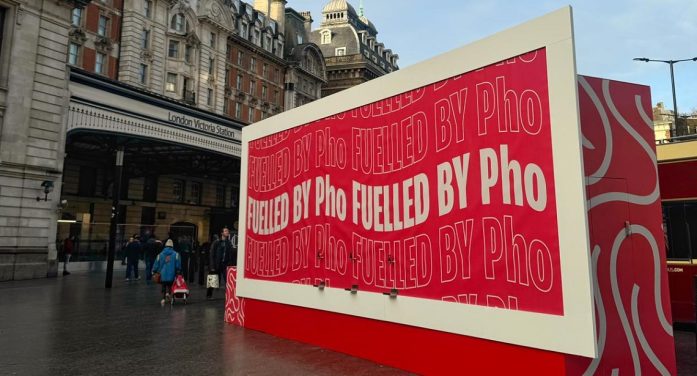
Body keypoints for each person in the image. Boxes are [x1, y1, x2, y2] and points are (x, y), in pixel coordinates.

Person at [206, 227, 236, 299]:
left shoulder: (228, 243)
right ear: (222, 233)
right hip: (216, 264)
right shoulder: (216, 242)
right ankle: (209, 295)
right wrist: (212, 266)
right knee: (213, 279)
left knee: (228, 280)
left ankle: (230, 296)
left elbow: (230, 254)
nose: (227, 232)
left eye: (228, 231)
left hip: (225, 265)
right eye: (225, 231)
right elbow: (212, 255)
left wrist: (230, 264)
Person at [152, 239, 182, 305]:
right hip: (172, 275)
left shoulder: (160, 254)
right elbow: (178, 266)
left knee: (164, 285)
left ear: (165, 246)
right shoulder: (176, 254)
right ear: (172, 246)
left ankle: (163, 299)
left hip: (162, 275)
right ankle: (170, 295)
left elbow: (156, 264)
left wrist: (154, 271)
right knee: (171, 285)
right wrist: (178, 271)